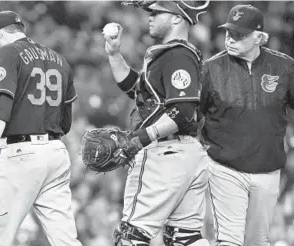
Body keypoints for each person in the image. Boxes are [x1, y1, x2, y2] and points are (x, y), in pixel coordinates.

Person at [102, 1, 211, 246]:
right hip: (189, 154)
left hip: (165, 155)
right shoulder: (177, 54)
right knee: (186, 238)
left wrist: (142, 137)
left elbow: (182, 110)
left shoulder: (176, 55)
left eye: (157, 12)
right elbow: (135, 89)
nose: (149, 17)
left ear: (176, 18)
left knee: (131, 236)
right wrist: (114, 55)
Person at [0, 10, 82, 246]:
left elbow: (0, 108)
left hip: (21, 156)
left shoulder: (8, 53)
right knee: (65, 239)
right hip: (56, 153)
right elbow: (65, 123)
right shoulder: (59, 59)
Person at [200, 4, 294, 246]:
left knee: (257, 241)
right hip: (224, 167)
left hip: (268, 170)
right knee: (229, 240)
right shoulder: (211, 68)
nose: (230, 39)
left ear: (259, 37)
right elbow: (193, 115)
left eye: (239, 34)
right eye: (228, 32)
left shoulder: (283, 67)